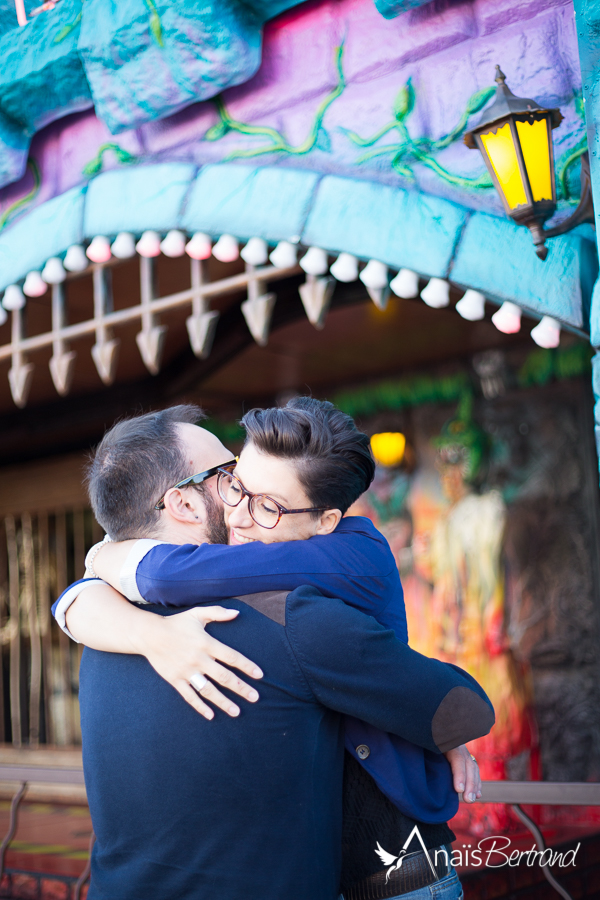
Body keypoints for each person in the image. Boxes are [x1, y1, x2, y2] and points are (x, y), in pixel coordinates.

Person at [54, 401, 493, 900]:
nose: (240, 510)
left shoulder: (98, 639)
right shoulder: (121, 623)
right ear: (184, 504)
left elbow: (160, 575)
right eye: (231, 480)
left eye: (262, 500)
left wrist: (108, 558)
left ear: (325, 520)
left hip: (393, 866)